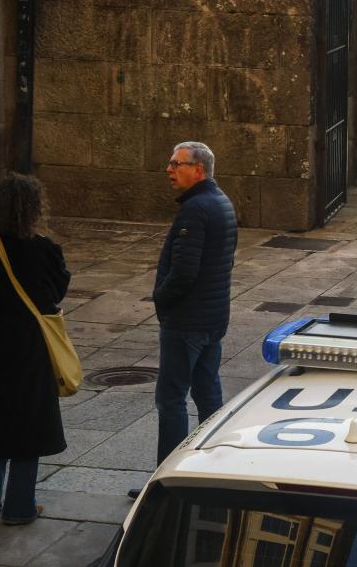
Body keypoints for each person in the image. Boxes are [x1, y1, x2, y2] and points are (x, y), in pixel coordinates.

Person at [131, 142, 238, 499]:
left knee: (171, 399)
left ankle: (165, 482)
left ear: (199, 169)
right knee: (208, 393)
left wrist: (160, 297)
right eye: (170, 161)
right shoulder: (221, 202)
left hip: (188, 320)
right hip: (212, 317)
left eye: (177, 163)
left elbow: (184, 272)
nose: (169, 169)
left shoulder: (195, 209)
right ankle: (212, 468)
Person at [0, 173, 70, 524]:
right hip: (31, 349)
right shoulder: (43, 248)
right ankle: (19, 506)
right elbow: (57, 290)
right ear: (33, 209)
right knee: (30, 424)